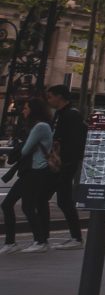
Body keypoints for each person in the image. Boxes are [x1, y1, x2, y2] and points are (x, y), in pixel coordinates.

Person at [1, 99, 56, 253]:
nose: (23, 111)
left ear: (33, 110)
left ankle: (34, 241)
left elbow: (25, 150)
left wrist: (21, 144)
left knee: (13, 205)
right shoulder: (39, 125)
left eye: (25, 108)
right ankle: (36, 240)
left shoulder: (40, 126)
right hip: (32, 171)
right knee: (26, 206)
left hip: (36, 171)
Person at [45, 84, 86, 245]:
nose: (49, 100)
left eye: (50, 96)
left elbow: (75, 141)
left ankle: (74, 237)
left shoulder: (71, 115)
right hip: (59, 162)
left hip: (65, 163)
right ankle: (44, 237)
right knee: (57, 199)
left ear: (59, 96)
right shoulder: (61, 114)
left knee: (59, 199)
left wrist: (66, 160)